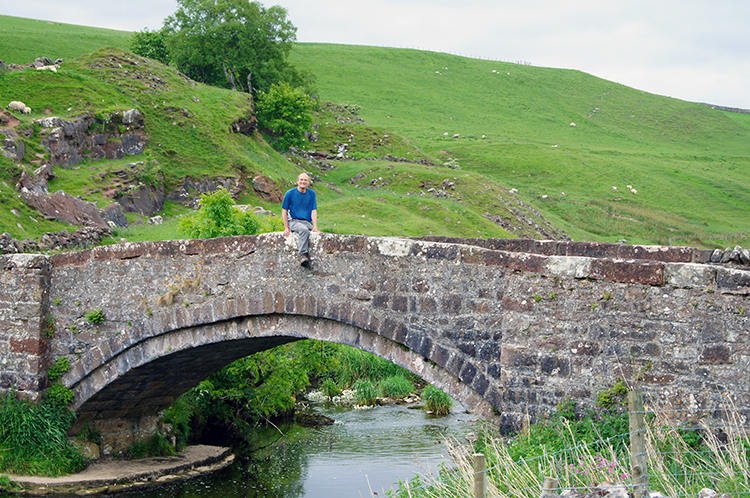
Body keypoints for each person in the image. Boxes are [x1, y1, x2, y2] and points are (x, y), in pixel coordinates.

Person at [282, 172, 319, 267]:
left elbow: (313, 211)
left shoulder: (311, 194)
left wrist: (315, 226)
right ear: (297, 181)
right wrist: (286, 227)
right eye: (301, 180)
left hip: (306, 221)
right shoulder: (289, 193)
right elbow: (284, 211)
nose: (303, 182)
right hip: (294, 221)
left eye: (305, 180)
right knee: (303, 230)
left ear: (308, 182)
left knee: (317, 234)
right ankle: (303, 254)